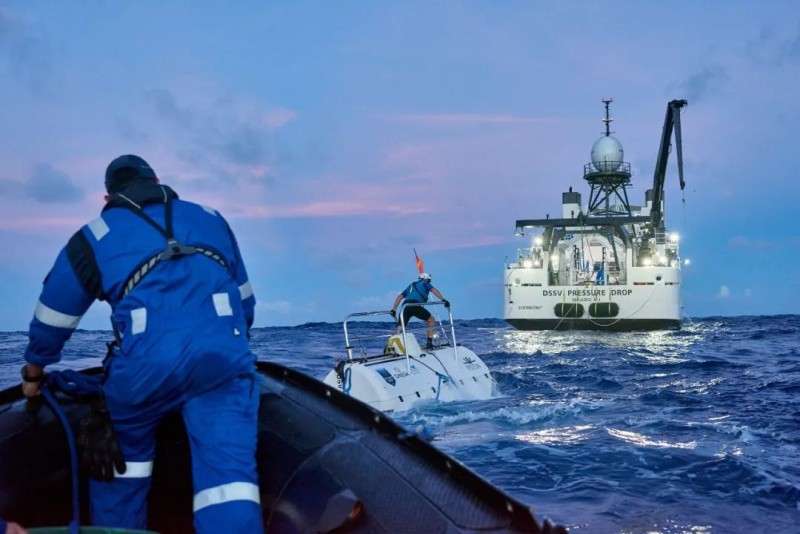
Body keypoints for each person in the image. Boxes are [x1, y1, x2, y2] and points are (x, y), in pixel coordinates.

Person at [19, 155, 262, 533]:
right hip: (223, 364)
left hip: (143, 371)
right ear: (157, 181)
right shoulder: (211, 219)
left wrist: (34, 372)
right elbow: (245, 305)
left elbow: (53, 317)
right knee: (229, 482)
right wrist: (225, 349)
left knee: (121, 471)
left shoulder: (94, 237)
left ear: (108, 197)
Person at [390, 272, 450, 350]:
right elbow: (434, 290)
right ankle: (429, 343)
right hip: (414, 305)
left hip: (405, 307)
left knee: (400, 327)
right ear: (426, 279)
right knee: (431, 320)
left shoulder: (411, 286)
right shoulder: (425, 283)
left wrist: (394, 309)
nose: (429, 282)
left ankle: (392, 346)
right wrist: (443, 300)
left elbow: (400, 296)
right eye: (429, 281)